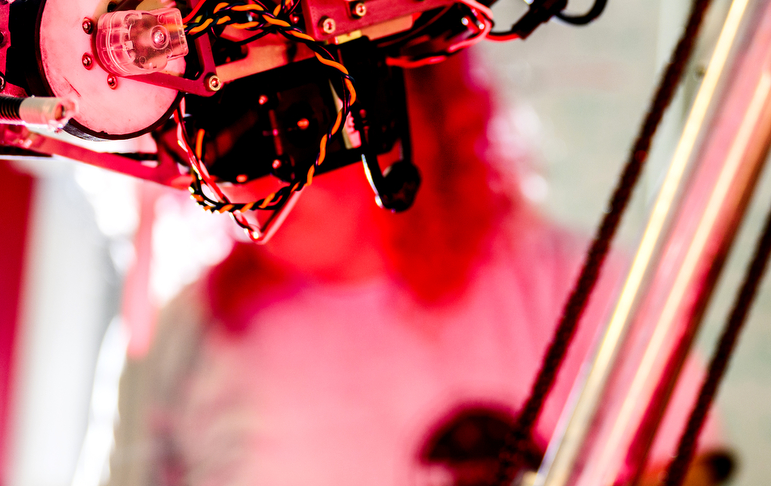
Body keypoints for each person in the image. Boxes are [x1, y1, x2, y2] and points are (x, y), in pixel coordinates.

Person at [108, 52, 727, 486]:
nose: (267, 168)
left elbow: (679, 464)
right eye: (232, 132)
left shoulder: (563, 289)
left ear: (400, 113)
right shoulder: (191, 327)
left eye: (297, 118)